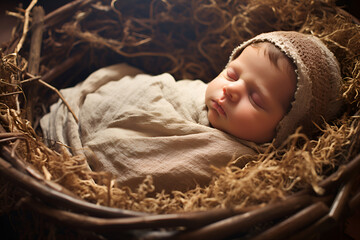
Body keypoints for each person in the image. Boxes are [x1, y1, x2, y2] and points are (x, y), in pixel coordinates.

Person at [40, 31, 342, 192]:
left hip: (74, 165)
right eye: (233, 75)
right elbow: (153, 90)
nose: (232, 90)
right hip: (77, 111)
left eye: (257, 99)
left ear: (284, 130)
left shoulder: (238, 162)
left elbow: (149, 171)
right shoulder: (196, 90)